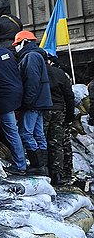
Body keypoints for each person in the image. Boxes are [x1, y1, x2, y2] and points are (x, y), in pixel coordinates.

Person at [0, 32, 28, 175]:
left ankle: (20, 164)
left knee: (10, 130)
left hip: (1, 96)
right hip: (14, 93)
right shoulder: (6, 52)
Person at [13, 30, 53, 175]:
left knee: (25, 133)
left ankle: (38, 165)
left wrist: (27, 102)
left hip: (34, 103)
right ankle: (43, 166)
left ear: (24, 42)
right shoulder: (37, 56)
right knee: (38, 134)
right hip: (40, 102)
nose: (16, 47)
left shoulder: (31, 56)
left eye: (17, 44)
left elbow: (32, 81)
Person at [45, 52, 74, 186]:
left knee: (41, 140)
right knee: (56, 143)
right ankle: (57, 174)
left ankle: (44, 171)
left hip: (43, 110)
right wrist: (69, 115)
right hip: (58, 110)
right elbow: (69, 95)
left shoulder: (37, 72)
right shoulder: (60, 73)